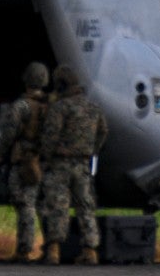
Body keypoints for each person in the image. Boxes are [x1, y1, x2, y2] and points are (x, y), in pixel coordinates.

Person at [38, 65, 107, 265]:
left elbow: (51, 135)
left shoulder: (60, 108)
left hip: (60, 163)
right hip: (83, 164)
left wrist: (46, 158)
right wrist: (93, 150)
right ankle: (90, 250)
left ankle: (53, 251)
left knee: (57, 206)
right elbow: (104, 131)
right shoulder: (93, 108)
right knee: (86, 206)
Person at [0, 62, 51, 263]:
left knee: (25, 205)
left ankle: (24, 250)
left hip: (25, 161)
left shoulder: (21, 106)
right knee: (44, 207)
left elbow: (8, 134)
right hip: (46, 162)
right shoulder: (50, 106)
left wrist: (1, 155)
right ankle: (51, 249)